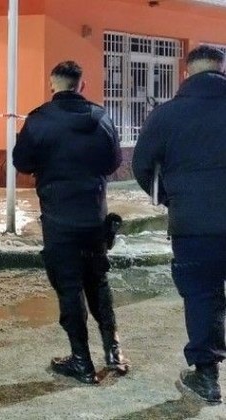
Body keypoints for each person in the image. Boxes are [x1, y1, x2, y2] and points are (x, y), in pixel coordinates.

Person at [13, 61, 127, 384]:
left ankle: (82, 361)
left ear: (53, 85)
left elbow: (21, 161)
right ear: (81, 85)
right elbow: (114, 162)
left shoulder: (39, 120)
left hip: (58, 217)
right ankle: (114, 351)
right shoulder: (101, 117)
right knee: (98, 281)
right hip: (94, 216)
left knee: (69, 287)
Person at [133, 45, 226, 405]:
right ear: (221, 69)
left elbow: (142, 165)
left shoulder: (166, 115)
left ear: (186, 73)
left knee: (201, 296)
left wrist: (172, 199)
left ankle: (207, 377)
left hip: (193, 225)